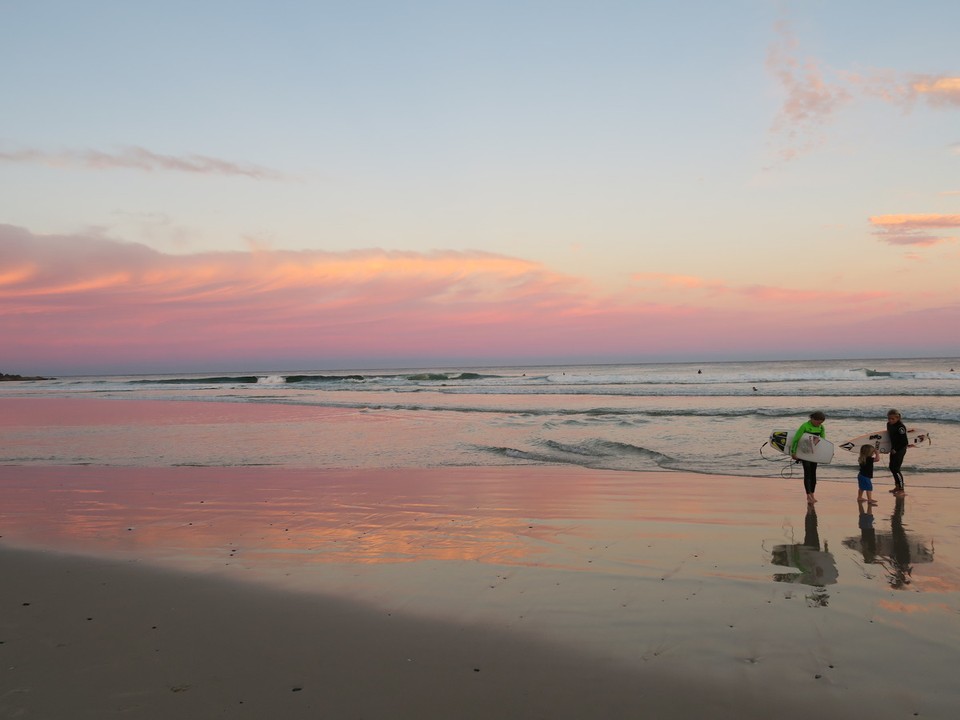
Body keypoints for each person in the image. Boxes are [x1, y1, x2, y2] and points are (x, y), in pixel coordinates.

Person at [791, 411, 826, 504]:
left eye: (821, 423)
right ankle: (808, 495)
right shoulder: (804, 426)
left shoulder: (821, 428)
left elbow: (823, 442)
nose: (819, 424)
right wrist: (793, 452)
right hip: (804, 452)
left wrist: (826, 452)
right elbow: (796, 439)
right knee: (807, 473)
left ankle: (813, 494)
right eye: (818, 422)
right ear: (812, 419)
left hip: (813, 453)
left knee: (813, 474)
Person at [886, 409, 909, 495]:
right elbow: (890, 438)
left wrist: (896, 449)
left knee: (896, 469)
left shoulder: (900, 427)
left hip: (900, 449)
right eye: (889, 419)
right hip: (893, 449)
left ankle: (902, 489)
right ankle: (897, 486)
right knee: (891, 467)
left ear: (898, 418)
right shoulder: (888, 425)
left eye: (892, 419)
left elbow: (905, 442)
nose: (890, 420)